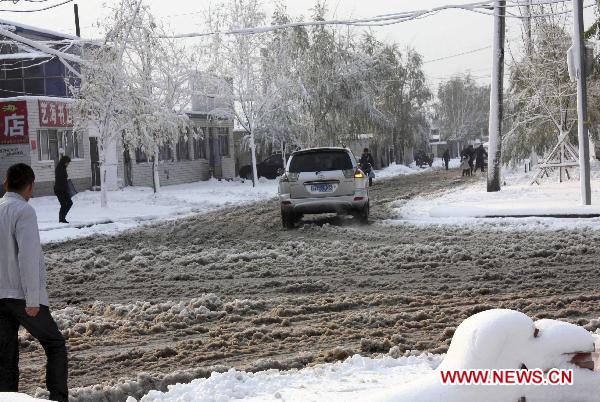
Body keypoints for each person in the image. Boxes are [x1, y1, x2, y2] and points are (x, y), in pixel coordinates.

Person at [0, 164, 68, 402]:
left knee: (5, 358)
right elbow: (27, 257)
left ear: (5, 183)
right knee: (55, 345)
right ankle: (58, 399)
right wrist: (32, 299)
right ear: (31, 187)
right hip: (20, 296)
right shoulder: (24, 212)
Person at [54, 156, 72, 223]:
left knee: (69, 203)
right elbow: (60, 179)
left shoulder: (63, 168)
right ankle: (61, 219)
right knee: (64, 204)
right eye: (67, 162)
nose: (67, 164)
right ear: (64, 161)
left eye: (68, 163)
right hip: (59, 189)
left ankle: (62, 218)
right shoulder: (59, 168)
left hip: (63, 189)